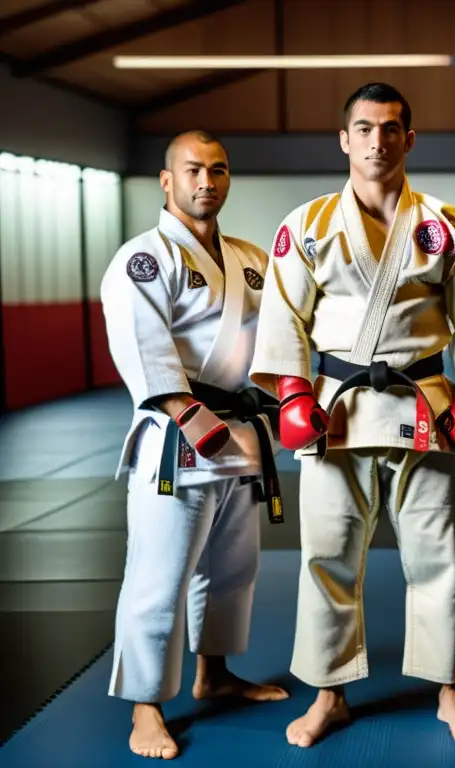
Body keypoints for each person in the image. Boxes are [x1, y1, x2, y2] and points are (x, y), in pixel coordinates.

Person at [247, 82, 455, 749]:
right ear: (344, 139)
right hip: (337, 412)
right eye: (364, 128)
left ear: (409, 139)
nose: (377, 141)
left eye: (391, 129)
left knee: (438, 556)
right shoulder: (306, 224)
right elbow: (284, 316)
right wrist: (293, 397)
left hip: (426, 407)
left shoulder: (446, 222)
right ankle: (329, 694)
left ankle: (448, 689)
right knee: (326, 556)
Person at [101, 130, 289, 760]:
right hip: (178, 440)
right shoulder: (143, 258)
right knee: (160, 574)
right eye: (193, 170)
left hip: (239, 434)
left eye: (218, 169)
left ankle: (215, 673)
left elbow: (278, 337)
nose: (207, 181)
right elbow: (143, 345)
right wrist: (186, 411)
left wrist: (286, 397)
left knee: (233, 569)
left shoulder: (250, 257)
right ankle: (145, 707)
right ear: (166, 180)